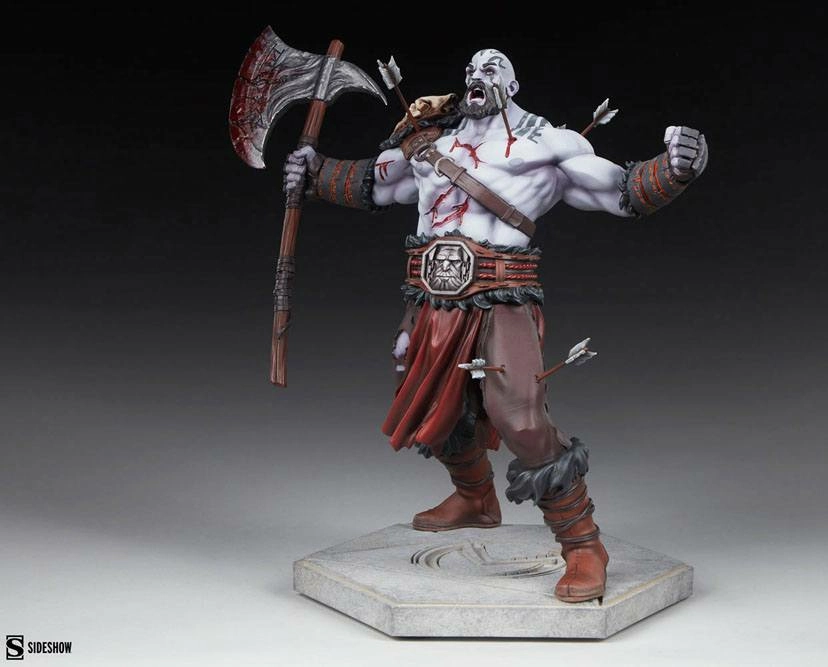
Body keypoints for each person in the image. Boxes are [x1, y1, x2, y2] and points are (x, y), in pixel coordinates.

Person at [283, 48, 707, 602]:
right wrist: (315, 172)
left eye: (491, 68)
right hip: (428, 296)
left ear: (512, 82)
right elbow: (377, 185)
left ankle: (583, 544)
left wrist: (675, 169)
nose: (476, 76)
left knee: (521, 420)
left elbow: (619, 192)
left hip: (501, 295)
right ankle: (476, 497)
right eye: (471, 70)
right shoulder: (430, 139)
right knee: (431, 404)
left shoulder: (546, 144)